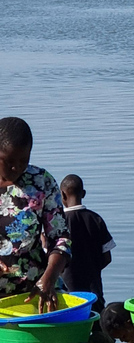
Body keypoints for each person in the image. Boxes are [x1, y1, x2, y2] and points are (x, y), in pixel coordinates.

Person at [0, 117, 71, 313]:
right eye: (9, 161)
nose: (17, 168)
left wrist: (49, 277)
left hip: (34, 292)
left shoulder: (41, 182)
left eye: (24, 160)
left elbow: (61, 239)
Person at [60, 174, 116, 314]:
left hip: (67, 294)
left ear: (62, 194)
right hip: (94, 290)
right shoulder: (96, 219)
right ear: (83, 193)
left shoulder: (57, 222)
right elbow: (107, 258)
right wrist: (91, 269)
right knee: (97, 324)